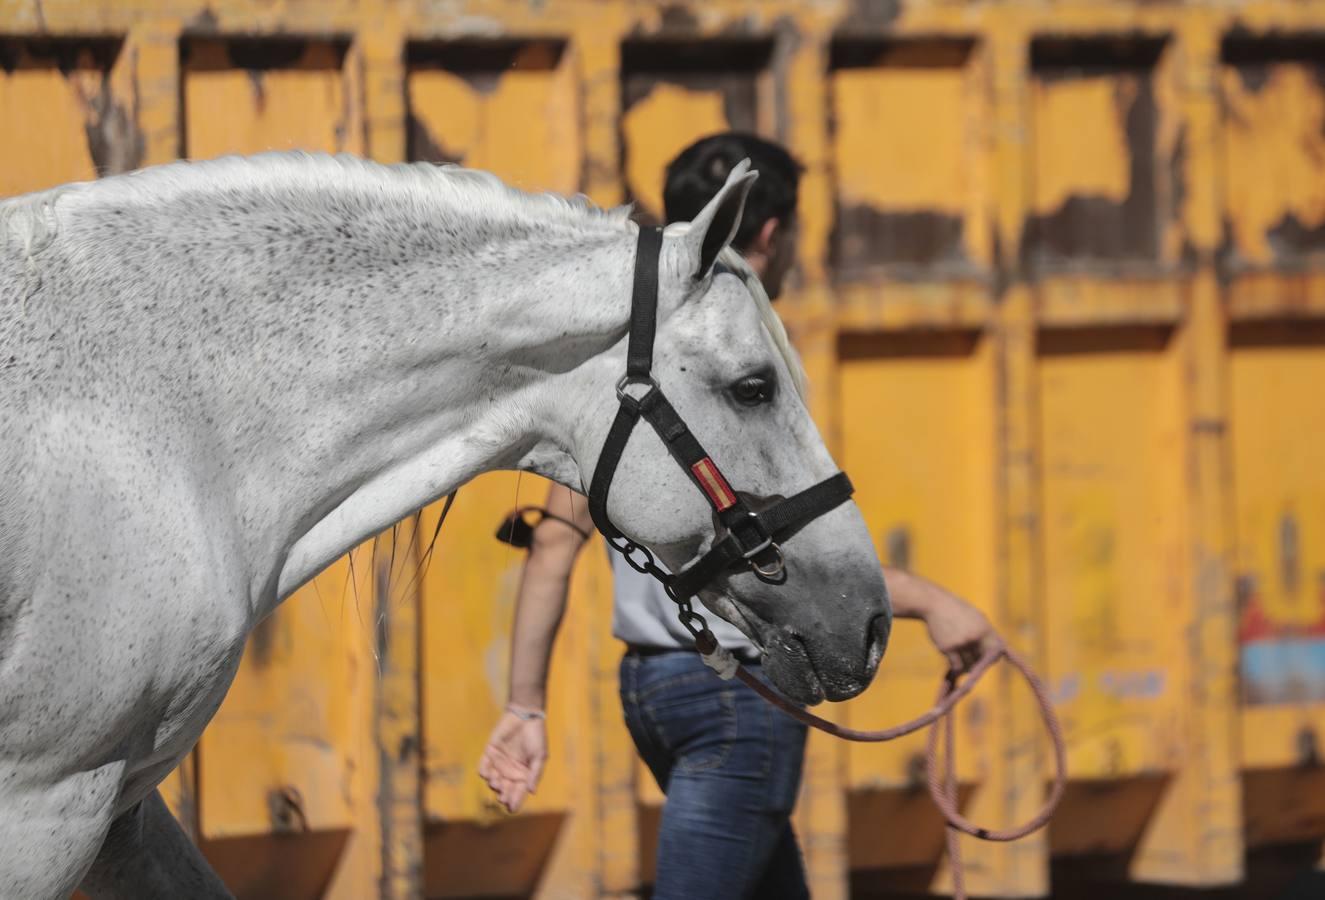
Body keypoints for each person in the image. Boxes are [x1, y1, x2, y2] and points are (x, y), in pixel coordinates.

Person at [478, 132, 998, 899]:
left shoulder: (632, 356)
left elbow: (554, 546)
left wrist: (525, 704)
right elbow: (774, 546)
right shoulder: (746, 360)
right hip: (734, 693)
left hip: (652, 689)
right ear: (771, 233)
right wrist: (934, 601)